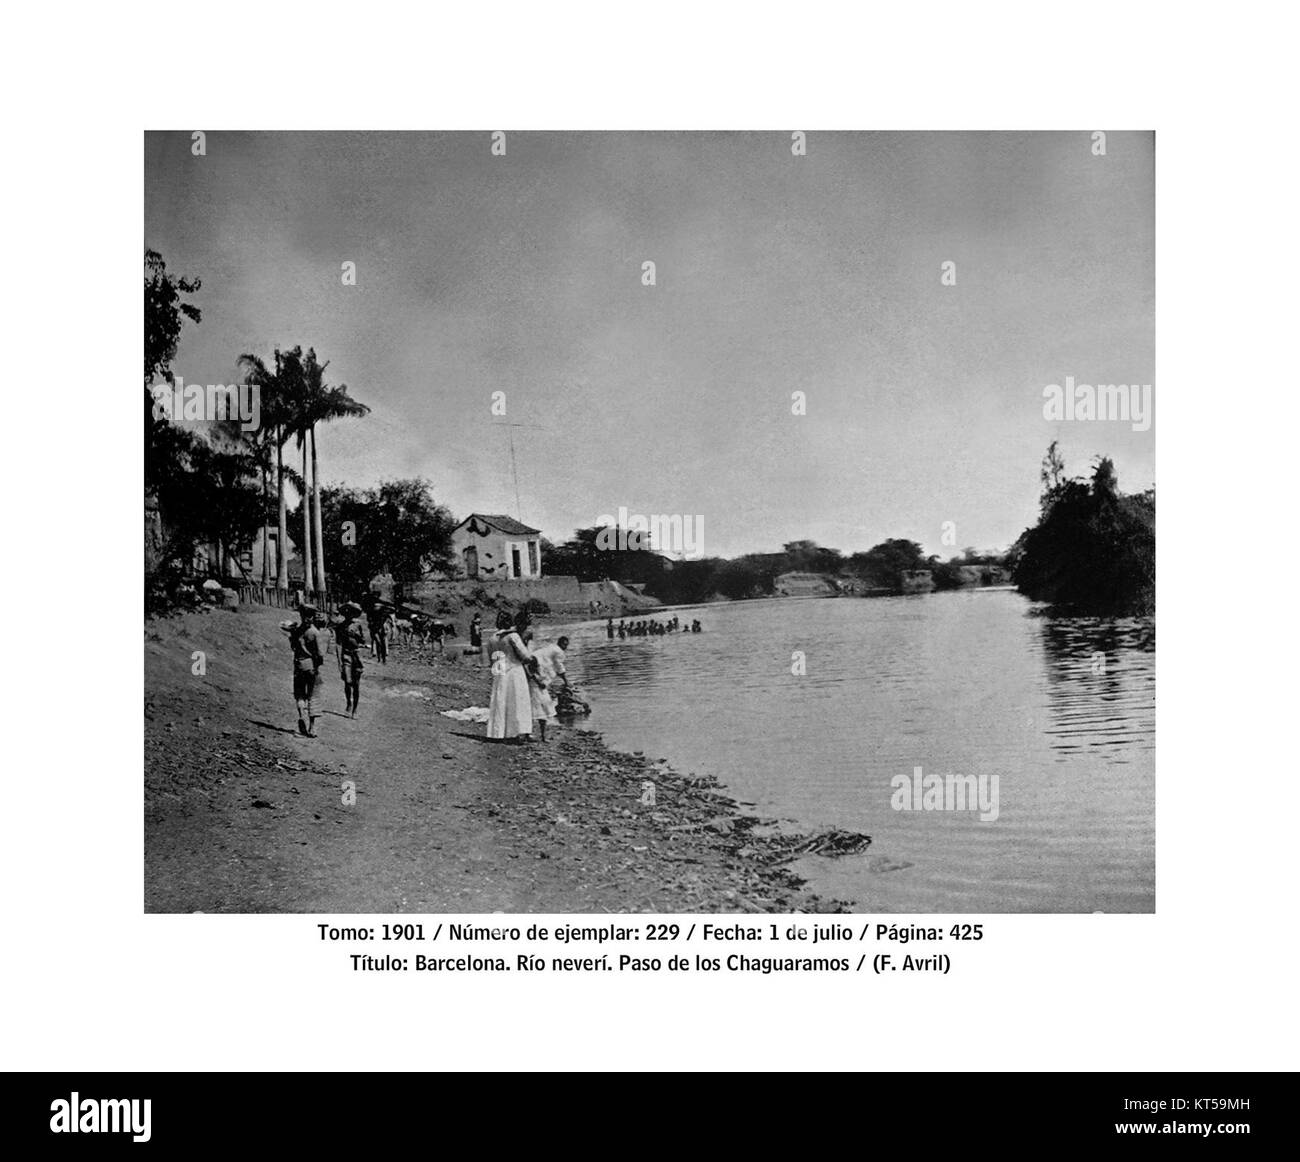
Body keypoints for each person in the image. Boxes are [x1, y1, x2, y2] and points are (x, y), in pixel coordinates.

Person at [486, 610, 533, 742]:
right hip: (514, 671)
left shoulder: (491, 638)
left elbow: (491, 659)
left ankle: (498, 732)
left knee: (500, 701)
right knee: (518, 702)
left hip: (499, 671)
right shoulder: (513, 636)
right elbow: (526, 656)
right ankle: (518, 732)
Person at [285, 602, 323, 737]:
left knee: (300, 694)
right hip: (311, 666)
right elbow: (320, 654)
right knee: (313, 695)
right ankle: (312, 728)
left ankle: (302, 715)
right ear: (313, 616)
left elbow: (293, 647)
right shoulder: (314, 633)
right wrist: (317, 666)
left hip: (298, 665)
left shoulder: (297, 631)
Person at [528, 634, 570, 741]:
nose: (565, 647)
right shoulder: (558, 651)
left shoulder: (551, 648)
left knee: (538, 707)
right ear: (560, 644)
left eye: (566, 645)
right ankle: (536, 734)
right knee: (540, 706)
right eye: (564, 645)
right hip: (537, 678)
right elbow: (559, 666)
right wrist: (566, 681)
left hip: (538, 675)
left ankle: (539, 735)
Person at [336, 601, 366, 717]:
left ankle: (355, 709)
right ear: (345, 614)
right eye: (347, 612)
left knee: (356, 684)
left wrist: (356, 636)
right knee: (348, 682)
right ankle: (349, 702)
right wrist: (340, 662)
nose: (349, 615)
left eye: (352, 613)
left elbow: (363, 641)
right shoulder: (340, 627)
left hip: (356, 655)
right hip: (346, 655)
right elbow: (338, 644)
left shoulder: (357, 625)